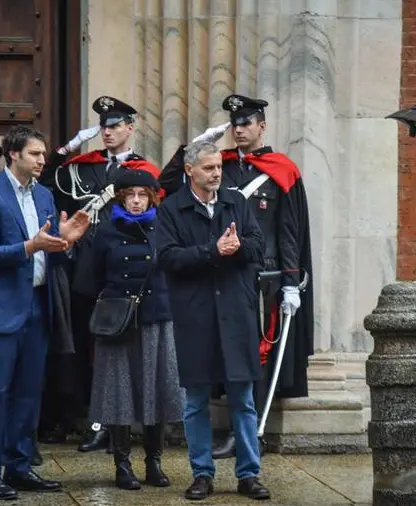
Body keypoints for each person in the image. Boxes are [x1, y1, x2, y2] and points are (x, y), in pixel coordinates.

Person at [160, 94, 315, 460]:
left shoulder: (281, 169)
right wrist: (196, 142)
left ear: (262, 126)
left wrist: (290, 282)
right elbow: (166, 184)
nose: (239, 130)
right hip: (217, 274)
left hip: (264, 274)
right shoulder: (220, 164)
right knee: (220, 357)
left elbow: (288, 231)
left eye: (246, 123)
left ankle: (247, 436)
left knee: (254, 358)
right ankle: (230, 438)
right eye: (234, 124)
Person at [0, 125, 87, 500]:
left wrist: (65, 242)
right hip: (1, 308)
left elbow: (51, 252)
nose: (42, 160)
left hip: (38, 304)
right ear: (13, 154)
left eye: (43, 154)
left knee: (28, 392)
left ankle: (19, 466)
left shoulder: (44, 195)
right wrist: (30, 245)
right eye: (35, 154)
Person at [38, 96, 162, 453]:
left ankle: (116, 424)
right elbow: (45, 178)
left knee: (121, 349)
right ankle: (84, 417)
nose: (107, 132)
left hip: (125, 272)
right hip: (85, 269)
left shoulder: (143, 171)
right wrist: (69, 147)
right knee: (85, 345)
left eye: (114, 126)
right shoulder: (83, 167)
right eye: (103, 127)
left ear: (130, 128)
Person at [154, 141, 270, 501]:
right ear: (190, 170)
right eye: (208, 168)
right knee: (196, 402)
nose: (216, 173)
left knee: (243, 400)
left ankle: (249, 474)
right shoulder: (172, 208)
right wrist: (212, 251)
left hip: (235, 312)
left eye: (218, 166)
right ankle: (202, 473)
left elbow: (259, 245)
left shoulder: (236, 202)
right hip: (196, 315)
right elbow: (168, 258)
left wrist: (239, 247)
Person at [87, 169, 183, 490]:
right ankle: (122, 464)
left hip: (157, 317)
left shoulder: (164, 229)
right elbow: (92, 278)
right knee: (119, 392)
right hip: (118, 322)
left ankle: (154, 462)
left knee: (157, 389)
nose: (137, 202)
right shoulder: (105, 231)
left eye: (143, 195)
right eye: (130, 196)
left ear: (152, 198)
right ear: (121, 198)